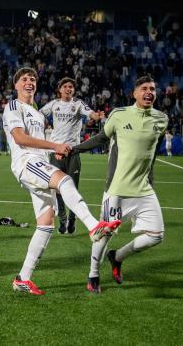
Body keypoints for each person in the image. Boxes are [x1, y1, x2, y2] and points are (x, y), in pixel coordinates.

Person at [2, 68, 121, 295]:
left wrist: (52, 151)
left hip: (39, 161)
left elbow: (38, 140)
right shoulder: (14, 106)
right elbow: (20, 138)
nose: (30, 82)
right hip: (26, 162)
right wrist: (54, 146)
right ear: (16, 85)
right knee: (64, 181)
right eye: (24, 79)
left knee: (46, 225)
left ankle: (22, 279)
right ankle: (94, 227)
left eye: (33, 79)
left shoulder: (37, 113)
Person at [70, 75, 168, 294]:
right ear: (134, 93)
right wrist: (74, 149)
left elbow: (153, 151)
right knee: (104, 233)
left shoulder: (161, 119)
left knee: (156, 235)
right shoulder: (119, 114)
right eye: (144, 88)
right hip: (116, 190)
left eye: (152, 88)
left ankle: (117, 256)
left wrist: (150, 175)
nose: (149, 92)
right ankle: (93, 274)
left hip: (143, 189)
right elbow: (101, 139)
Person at [39, 77, 104, 234]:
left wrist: (97, 116)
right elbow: (38, 114)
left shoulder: (78, 104)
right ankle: (62, 219)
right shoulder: (53, 105)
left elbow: (91, 114)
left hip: (73, 152)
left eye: (71, 87)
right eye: (65, 86)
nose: (68, 89)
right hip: (56, 152)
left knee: (73, 189)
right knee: (58, 189)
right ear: (60, 89)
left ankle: (72, 220)